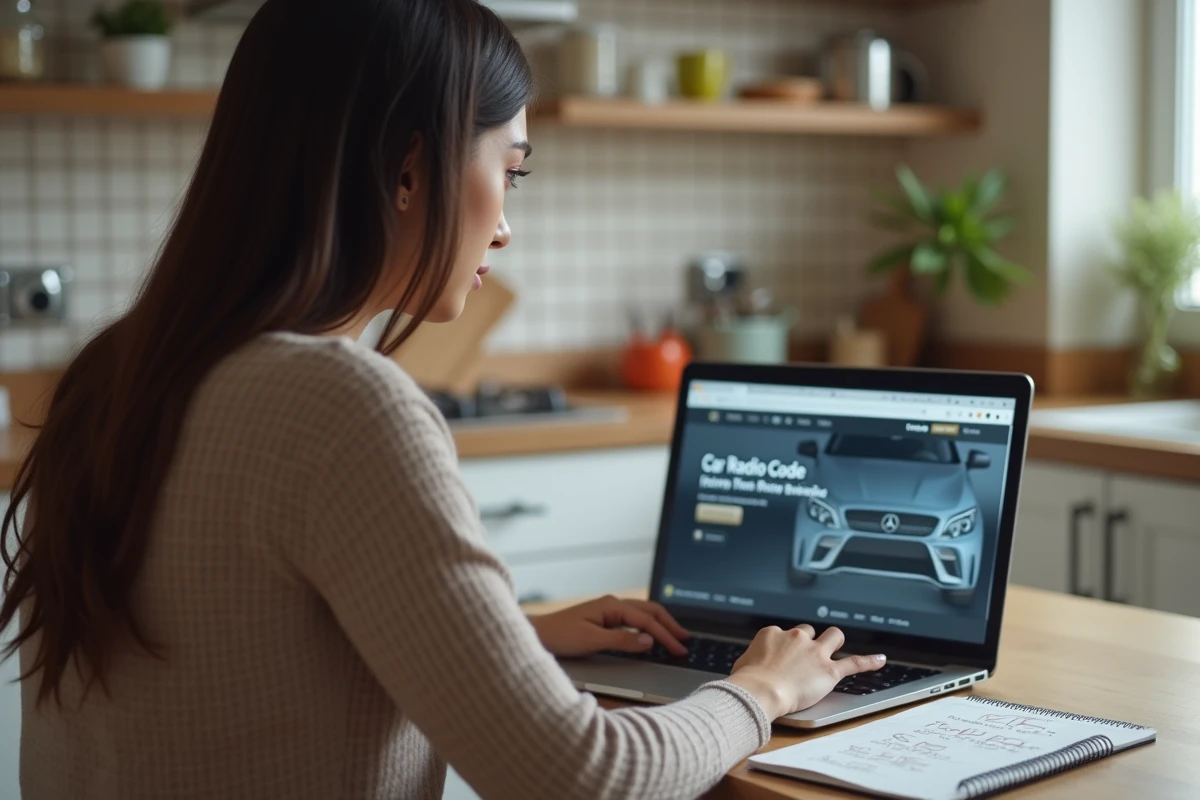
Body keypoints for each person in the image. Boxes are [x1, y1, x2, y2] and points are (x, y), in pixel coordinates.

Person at [0, 1, 885, 798]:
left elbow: (232, 664)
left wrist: (511, 638)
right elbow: (582, 778)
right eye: (512, 169)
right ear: (409, 171)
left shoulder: (115, 372)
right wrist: (760, 691)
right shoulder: (339, 402)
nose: (505, 223)